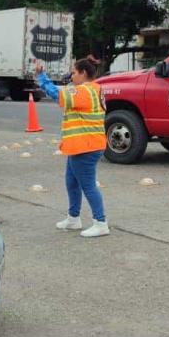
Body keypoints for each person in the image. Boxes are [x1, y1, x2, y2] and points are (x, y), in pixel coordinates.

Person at [34, 56, 109, 238]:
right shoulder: (93, 89)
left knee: (88, 185)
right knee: (71, 181)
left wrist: (42, 77)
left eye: (74, 73)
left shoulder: (84, 91)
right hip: (81, 146)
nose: (71, 76)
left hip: (86, 146)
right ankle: (73, 218)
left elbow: (57, 94)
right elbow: (65, 92)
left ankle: (101, 223)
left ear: (83, 73)